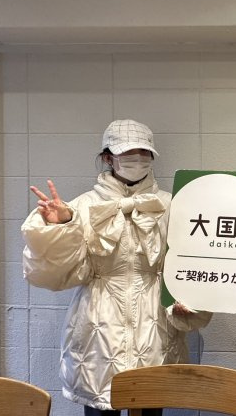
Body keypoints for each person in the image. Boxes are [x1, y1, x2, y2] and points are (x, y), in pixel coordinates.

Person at [21, 119, 212, 416]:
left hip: (155, 320)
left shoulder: (172, 205)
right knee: (100, 404)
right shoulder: (82, 206)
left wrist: (188, 302)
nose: (138, 159)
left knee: (150, 405)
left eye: (144, 153)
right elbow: (57, 273)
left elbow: (191, 265)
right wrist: (62, 225)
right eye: (128, 153)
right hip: (98, 318)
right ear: (108, 157)